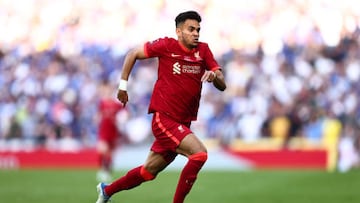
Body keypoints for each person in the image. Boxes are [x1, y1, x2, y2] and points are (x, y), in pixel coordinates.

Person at [95, 10, 226, 203]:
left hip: (183, 123)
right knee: (199, 154)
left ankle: (107, 191)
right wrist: (123, 86)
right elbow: (133, 54)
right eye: (191, 29)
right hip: (164, 118)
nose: (196, 33)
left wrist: (215, 76)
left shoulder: (204, 51)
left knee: (147, 172)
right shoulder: (166, 45)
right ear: (179, 31)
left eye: (198, 29)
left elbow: (222, 84)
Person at [96, 80, 125, 182]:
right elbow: (98, 116)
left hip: (114, 131)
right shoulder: (101, 103)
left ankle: (108, 172)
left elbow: (124, 114)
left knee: (111, 154)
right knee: (102, 150)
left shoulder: (116, 104)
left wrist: (122, 119)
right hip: (104, 130)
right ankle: (101, 170)